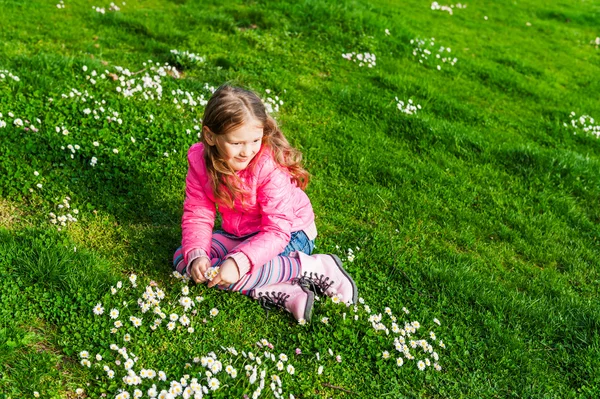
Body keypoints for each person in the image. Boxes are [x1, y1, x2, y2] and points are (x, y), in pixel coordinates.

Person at [173, 84, 357, 323]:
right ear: (210, 136)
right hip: (243, 235)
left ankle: (317, 267)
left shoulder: (268, 167)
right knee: (184, 260)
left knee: (233, 270)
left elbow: (277, 231)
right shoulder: (200, 161)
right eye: (237, 143)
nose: (247, 151)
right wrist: (198, 255)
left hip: (291, 234)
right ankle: (279, 288)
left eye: (255, 140)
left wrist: (239, 262)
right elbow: (198, 213)